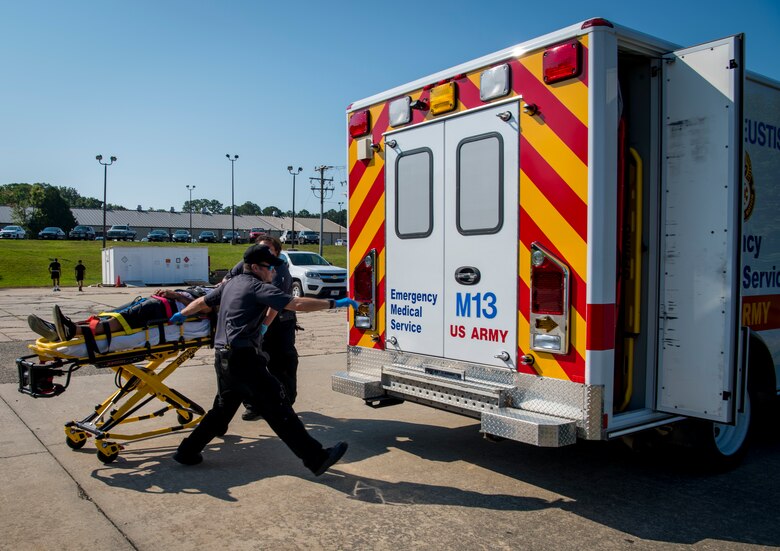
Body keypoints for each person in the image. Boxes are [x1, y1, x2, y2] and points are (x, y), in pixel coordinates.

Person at [169, 243, 358, 475]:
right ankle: (316, 458)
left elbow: (203, 302)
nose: (274, 272)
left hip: (223, 357)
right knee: (279, 408)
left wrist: (181, 314)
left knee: (222, 409)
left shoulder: (231, 284)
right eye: (270, 268)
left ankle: (187, 451)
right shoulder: (258, 287)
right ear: (257, 267)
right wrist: (335, 303)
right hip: (244, 359)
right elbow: (295, 303)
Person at [224, 234, 300, 420]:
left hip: (279, 322)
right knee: (251, 365)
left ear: (276, 253)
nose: (264, 252)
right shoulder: (246, 265)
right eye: (261, 248)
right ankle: (253, 406)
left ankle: (285, 405)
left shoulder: (280, 270)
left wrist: (264, 327)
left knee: (281, 363)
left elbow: (276, 304)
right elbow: (227, 282)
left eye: (269, 249)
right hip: (255, 322)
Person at [27, 288, 206, 342]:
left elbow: (207, 309)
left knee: (121, 321)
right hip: (161, 301)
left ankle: (71, 331)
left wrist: (177, 296)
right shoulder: (219, 287)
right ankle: (62, 327)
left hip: (166, 309)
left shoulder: (226, 295)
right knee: (109, 315)